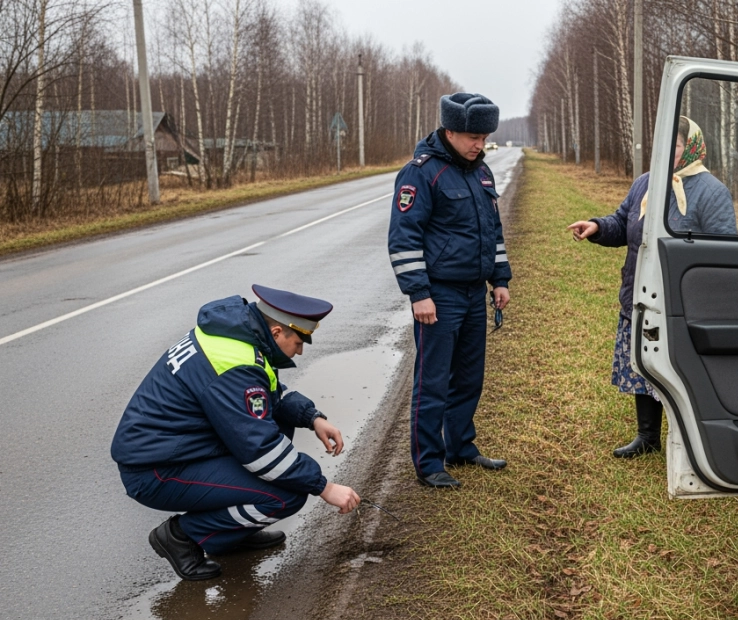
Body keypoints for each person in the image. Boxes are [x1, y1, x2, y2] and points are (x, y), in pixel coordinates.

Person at [111, 285, 361, 581]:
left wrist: (311, 417)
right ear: (278, 331)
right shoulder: (234, 361)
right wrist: (324, 487)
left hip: (175, 451)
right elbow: (260, 449)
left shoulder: (235, 336)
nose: (301, 350)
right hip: (156, 471)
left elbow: (265, 393)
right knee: (288, 494)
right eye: (299, 340)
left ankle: (230, 534)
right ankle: (181, 536)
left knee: (279, 442)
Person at [567, 116, 736, 458]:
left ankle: (689, 443)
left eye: (673, 146)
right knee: (644, 363)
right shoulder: (645, 184)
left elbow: (725, 250)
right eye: (661, 144)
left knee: (680, 370)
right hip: (640, 294)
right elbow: (622, 222)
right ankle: (647, 437)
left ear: (691, 147)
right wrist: (598, 227)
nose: (665, 152)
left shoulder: (712, 191)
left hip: (683, 301)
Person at [388, 92, 511, 488]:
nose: (480, 145)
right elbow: (403, 239)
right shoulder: (421, 173)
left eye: (485, 137)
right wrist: (418, 293)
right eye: (473, 137)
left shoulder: (482, 172)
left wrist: (501, 279)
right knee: (433, 380)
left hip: (476, 292)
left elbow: (493, 232)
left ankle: (460, 447)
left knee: (469, 377)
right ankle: (429, 463)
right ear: (450, 131)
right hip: (438, 295)